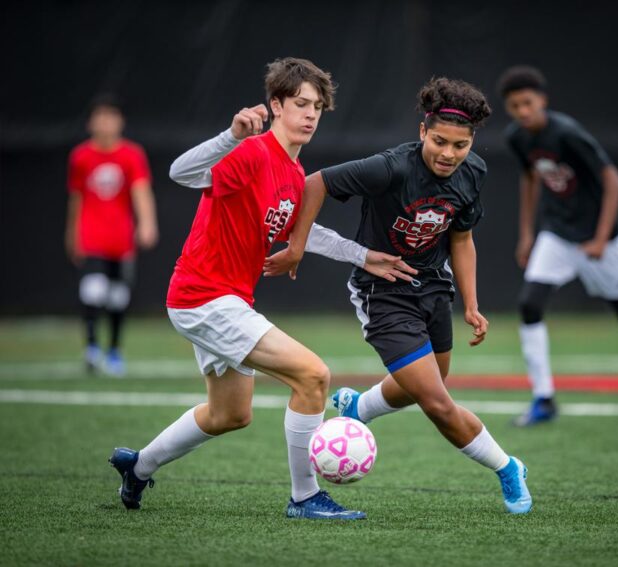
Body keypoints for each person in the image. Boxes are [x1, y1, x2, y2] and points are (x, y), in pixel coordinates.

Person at [107, 57, 415, 519]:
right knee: (313, 375)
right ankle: (306, 497)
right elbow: (180, 173)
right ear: (275, 105)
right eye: (301, 103)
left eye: (318, 107)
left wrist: (363, 255)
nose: (311, 114)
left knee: (229, 414)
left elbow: (303, 236)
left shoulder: (293, 174)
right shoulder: (252, 152)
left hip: (221, 299)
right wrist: (231, 136)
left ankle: (139, 467)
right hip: (204, 296)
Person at [265, 77, 533, 514]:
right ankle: (508, 467)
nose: (449, 154)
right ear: (423, 131)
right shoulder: (391, 168)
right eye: (440, 142)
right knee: (437, 402)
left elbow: (462, 239)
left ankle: (358, 405)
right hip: (384, 293)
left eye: (460, 145)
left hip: (434, 287)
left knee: (429, 384)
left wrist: (471, 303)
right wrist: (296, 248)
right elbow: (315, 184)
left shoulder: (473, 172)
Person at [496, 65, 618, 426]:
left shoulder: (567, 134)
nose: (522, 111)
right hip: (557, 233)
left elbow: (614, 181)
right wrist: (527, 233)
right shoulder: (517, 138)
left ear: (543, 101)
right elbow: (530, 179)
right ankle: (544, 398)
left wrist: (601, 238)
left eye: (528, 103)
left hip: (599, 238)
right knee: (529, 304)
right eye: (514, 105)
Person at [66, 95, 158, 377]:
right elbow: (76, 198)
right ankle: (92, 349)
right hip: (92, 236)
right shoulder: (81, 156)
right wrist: (72, 233)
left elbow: (141, 191)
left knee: (117, 297)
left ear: (120, 121)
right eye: (100, 117)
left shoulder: (132, 154)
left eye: (111, 116)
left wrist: (147, 223)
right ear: (91, 122)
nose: (105, 123)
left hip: (120, 238)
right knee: (92, 289)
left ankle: (114, 351)